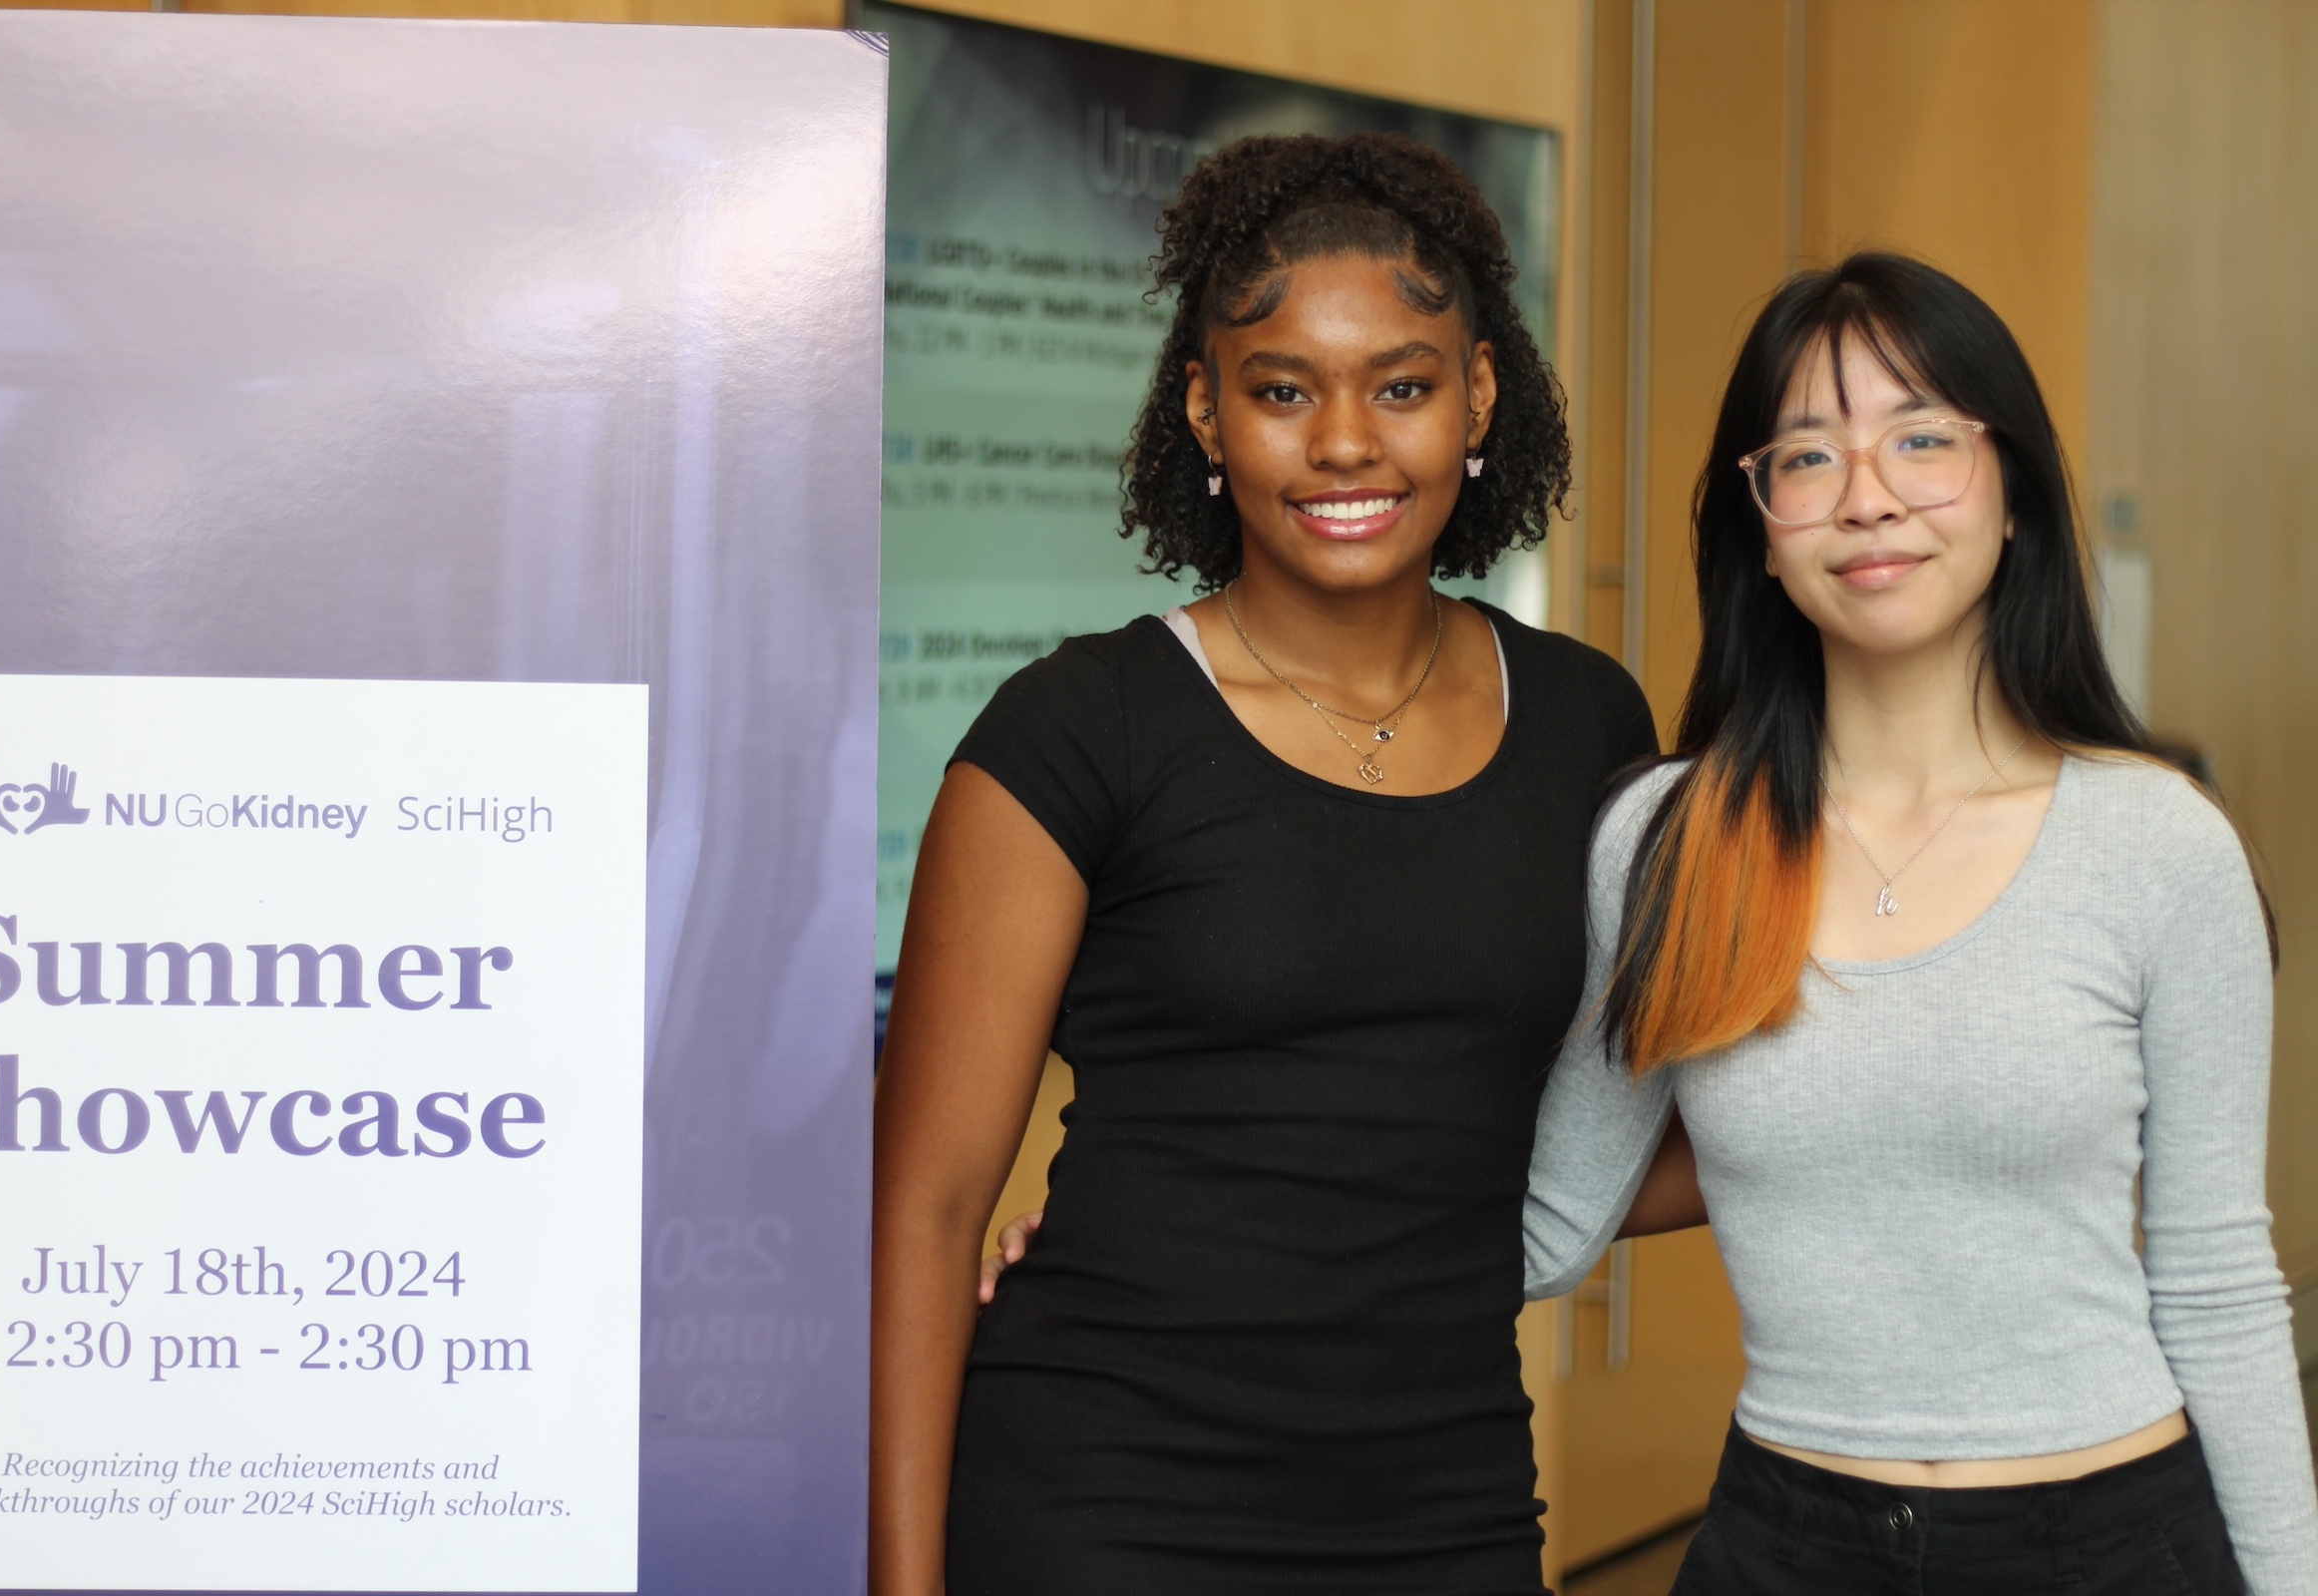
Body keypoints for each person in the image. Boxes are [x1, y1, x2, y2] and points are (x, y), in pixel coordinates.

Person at [870, 132, 1654, 1596]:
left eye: (1403, 385)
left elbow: (1597, 1128)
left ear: (1477, 396)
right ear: (1206, 413)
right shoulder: (1076, 728)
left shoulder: (1590, 723)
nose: (1346, 443)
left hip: (1449, 1500)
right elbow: (922, 1213)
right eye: (1282, 389)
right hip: (1104, 1503)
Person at [1522, 252, 2318, 1593]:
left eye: (1923, 438)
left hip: (2112, 1539)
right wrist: (1146, 1227)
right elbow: (1544, 1222)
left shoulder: (2159, 842)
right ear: (1761, 526)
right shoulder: (1671, 840)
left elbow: (2218, 1280)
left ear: (2013, 497)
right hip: (1786, 1542)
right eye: (1808, 457)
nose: (1870, 496)